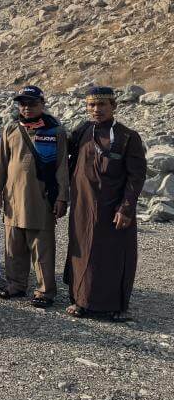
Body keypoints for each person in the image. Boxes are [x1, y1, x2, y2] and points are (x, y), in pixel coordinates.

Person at [64, 86, 146, 321]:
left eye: (102, 105)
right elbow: (63, 154)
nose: (96, 110)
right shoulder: (82, 132)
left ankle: (114, 306)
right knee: (82, 252)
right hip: (83, 205)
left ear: (113, 106)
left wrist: (126, 208)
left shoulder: (127, 136)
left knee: (113, 256)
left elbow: (136, 176)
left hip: (113, 208)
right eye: (91, 105)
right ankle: (81, 301)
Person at [0, 85, 69, 309]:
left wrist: (62, 197)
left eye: (32, 103)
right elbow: (1, 162)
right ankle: (15, 285)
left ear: (42, 104)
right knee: (13, 245)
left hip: (41, 198)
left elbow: (62, 166)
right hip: (13, 197)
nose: (26, 107)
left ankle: (45, 290)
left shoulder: (55, 131)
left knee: (41, 246)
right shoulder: (11, 128)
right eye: (22, 103)